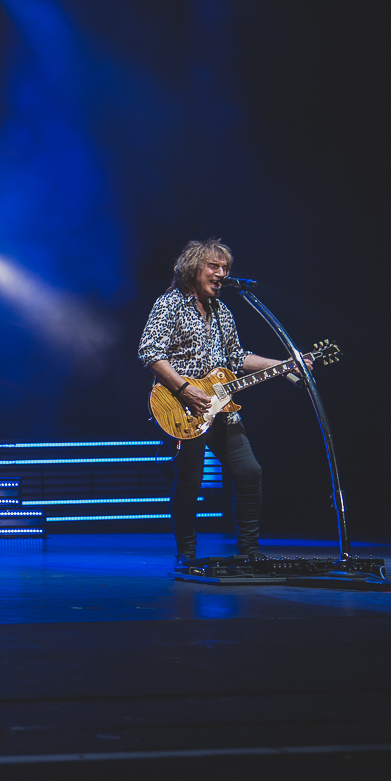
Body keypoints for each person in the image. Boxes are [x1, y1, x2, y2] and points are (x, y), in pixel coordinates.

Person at [137, 238, 299, 568]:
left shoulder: (223, 312)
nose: (221, 273)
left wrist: (285, 364)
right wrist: (183, 388)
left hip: (222, 408)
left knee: (249, 472)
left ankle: (249, 550)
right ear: (193, 269)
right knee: (190, 480)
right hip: (179, 406)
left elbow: (237, 358)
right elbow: (150, 352)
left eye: (225, 268)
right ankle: (186, 551)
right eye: (214, 267)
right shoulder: (170, 304)